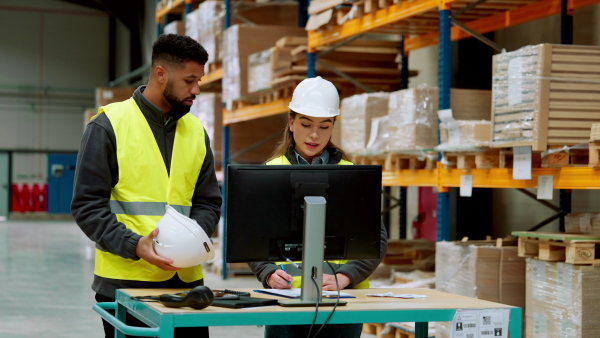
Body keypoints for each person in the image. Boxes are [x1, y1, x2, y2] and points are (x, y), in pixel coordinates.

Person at [71, 34, 222, 338]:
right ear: (161, 73)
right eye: (189, 80)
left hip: (186, 286)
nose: (196, 89)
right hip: (125, 285)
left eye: (199, 81)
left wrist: (193, 239)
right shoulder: (108, 125)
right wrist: (135, 245)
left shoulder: (195, 131)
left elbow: (209, 201)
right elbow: (86, 206)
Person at [248, 76, 388, 338]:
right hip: (285, 298)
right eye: (305, 124)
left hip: (343, 299)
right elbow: (251, 237)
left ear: (333, 127)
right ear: (291, 123)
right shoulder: (271, 173)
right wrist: (267, 272)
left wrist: (346, 276)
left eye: (324, 126)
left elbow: (376, 240)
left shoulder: (352, 176)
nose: (314, 134)